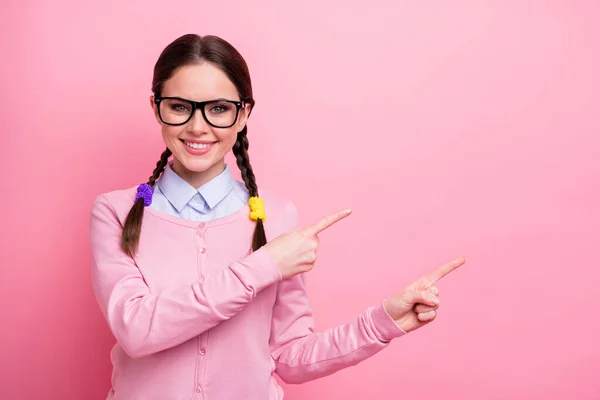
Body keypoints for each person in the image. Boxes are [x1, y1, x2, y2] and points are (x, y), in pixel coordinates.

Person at [89, 33, 466, 400]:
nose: (198, 126)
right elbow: (137, 330)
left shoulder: (277, 216)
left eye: (219, 108)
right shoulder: (115, 212)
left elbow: (289, 355)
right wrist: (263, 266)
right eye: (179, 106)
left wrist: (382, 322)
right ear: (156, 108)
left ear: (244, 114)